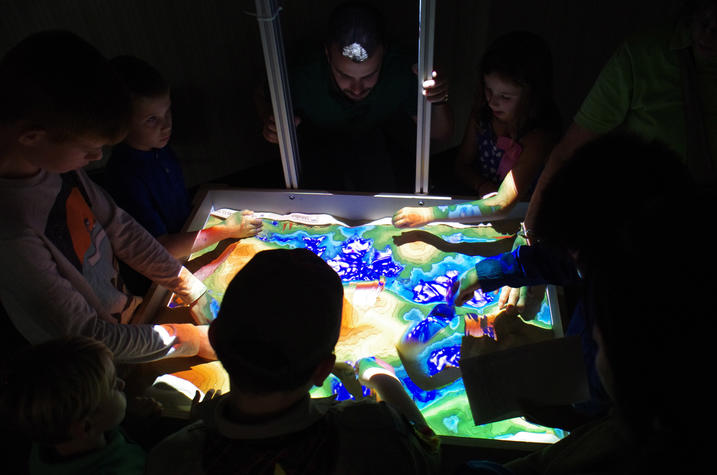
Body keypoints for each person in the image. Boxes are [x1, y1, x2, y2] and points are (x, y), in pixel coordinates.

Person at [454, 150, 712, 475]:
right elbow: (557, 260)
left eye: (604, 341)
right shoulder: (616, 259)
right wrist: (490, 272)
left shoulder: (634, 450)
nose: (575, 259)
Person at [0, 30, 215, 363]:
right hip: (83, 367)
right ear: (31, 137)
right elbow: (84, 334)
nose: (97, 159)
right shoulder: (12, 230)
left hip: (127, 321)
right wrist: (189, 338)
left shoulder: (53, 161)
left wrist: (186, 284)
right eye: (89, 150)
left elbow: (120, 228)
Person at [145, 248, 441, 474]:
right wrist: (381, 378)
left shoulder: (169, 458)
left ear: (217, 341)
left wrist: (204, 426)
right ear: (323, 370)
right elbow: (427, 450)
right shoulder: (373, 431)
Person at [523, 0, 717, 232]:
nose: (709, 33)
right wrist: (531, 233)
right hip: (644, 222)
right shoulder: (642, 56)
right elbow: (567, 152)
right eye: (704, 19)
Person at [257, 1, 454, 193]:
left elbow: (439, 133)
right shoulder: (302, 74)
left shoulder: (404, 70)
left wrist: (437, 98)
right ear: (327, 54)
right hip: (317, 146)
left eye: (368, 76)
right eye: (344, 75)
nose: (357, 89)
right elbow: (262, 93)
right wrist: (272, 124)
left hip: (381, 146)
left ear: (384, 54)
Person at [393, 30, 561, 228]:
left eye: (505, 97)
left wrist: (428, 214)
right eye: (488, 90)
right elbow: (461, 165)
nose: (493, 101)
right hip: (480, 209)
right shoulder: (483, 115)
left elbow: (502, 204)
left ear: (532, 97)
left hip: (524, 217)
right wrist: (481, 185)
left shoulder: (539, 138)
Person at [106, 55, 263, 260]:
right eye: (152, 119)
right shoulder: (125, 177)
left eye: (167, 111)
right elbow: (160, 249)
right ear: (120, 124)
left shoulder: (158, 147)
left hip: (187, 233)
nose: (167, 125)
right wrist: (226, 230)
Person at [0, 336, 146, 474]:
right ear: (86, 426)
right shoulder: (119, 470)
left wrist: (138, 421)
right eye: (113, 385)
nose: (122, 384)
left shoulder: (50, 432)